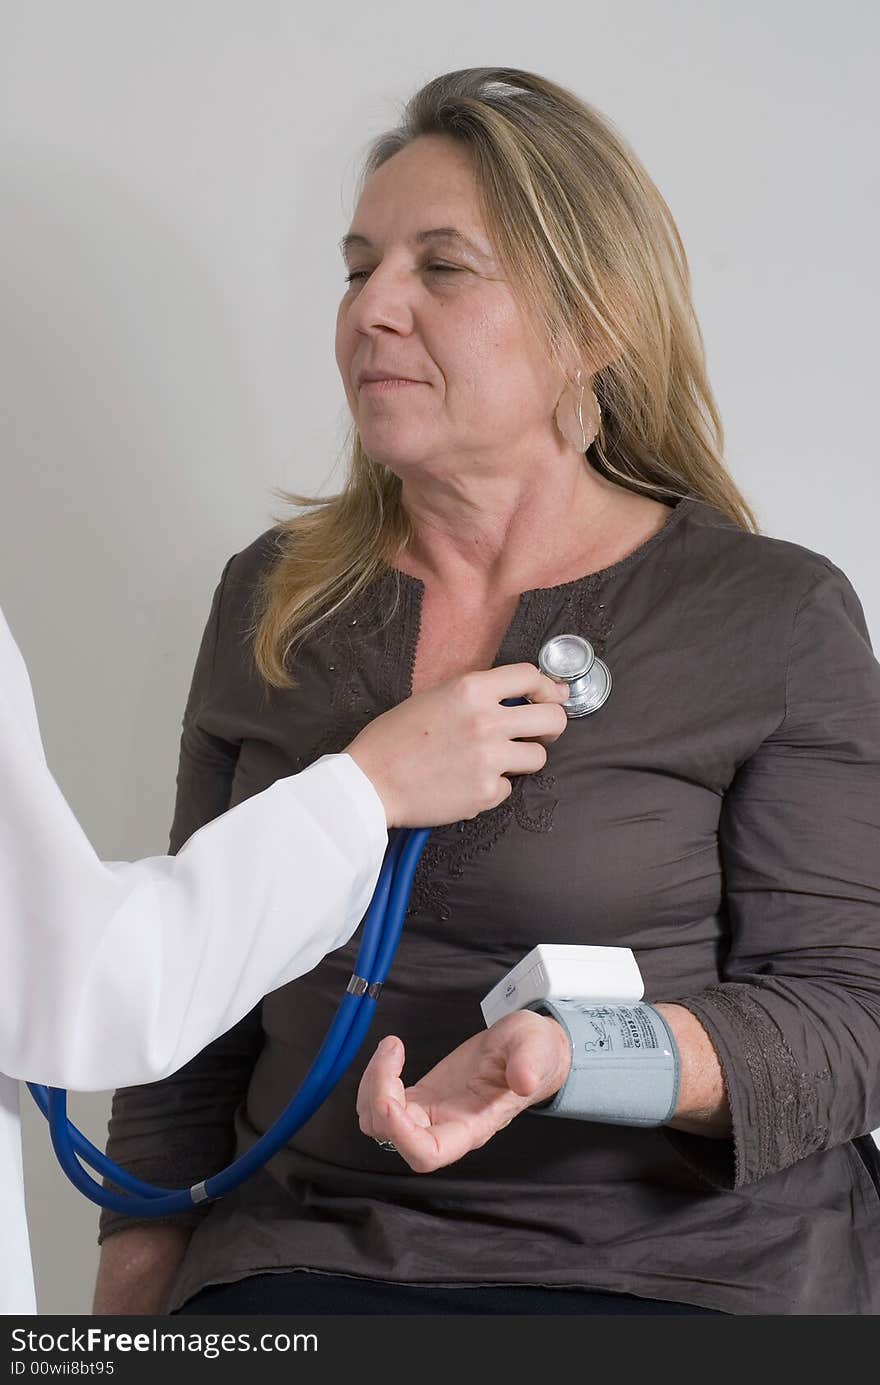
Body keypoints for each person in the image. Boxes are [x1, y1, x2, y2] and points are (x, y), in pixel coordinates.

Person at [94, 67, 880, 1317]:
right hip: (308, 1250)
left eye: (441, 268)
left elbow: (848, 1021)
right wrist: (126, 1309)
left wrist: (583, 1053)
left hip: (676, 1266)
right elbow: (190, 985)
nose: (372, 310)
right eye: (358, 268)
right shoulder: (274, 597)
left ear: (594, 322)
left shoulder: (769, 615)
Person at [0, 599, 568, 1314]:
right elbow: (83, 981)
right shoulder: (273, 593)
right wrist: (370, 788)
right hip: (286, 1261)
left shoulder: (732, 598)